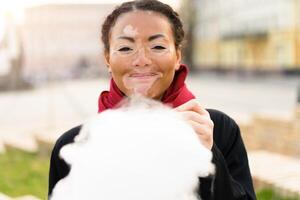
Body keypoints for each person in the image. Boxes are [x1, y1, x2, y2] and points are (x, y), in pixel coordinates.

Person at [48, 0, 256, 199]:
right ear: (107, 59)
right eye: (125, 48)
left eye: (157, 47)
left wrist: (210, 157)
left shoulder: (217, 130)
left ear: (177, 56)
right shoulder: (74, 147)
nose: (142, 60)